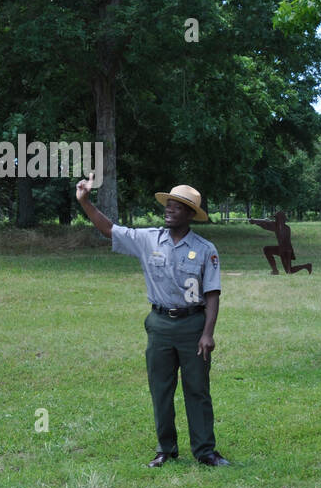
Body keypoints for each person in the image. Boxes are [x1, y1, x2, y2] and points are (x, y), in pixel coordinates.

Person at [75, 174, 229, 467]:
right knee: (161, 389)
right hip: (159, 325)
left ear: (190, 215)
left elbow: (212, 294)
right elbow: (109, 229)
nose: (169, 210)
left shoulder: (206, 249)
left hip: (193, 326)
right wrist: (86, 202)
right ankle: (166, 449)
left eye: (177, 207)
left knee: (197, 389)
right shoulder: (147, 239)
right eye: (168, 205)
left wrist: (208, 333)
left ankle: (205, 451)